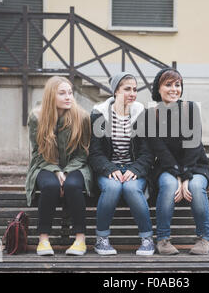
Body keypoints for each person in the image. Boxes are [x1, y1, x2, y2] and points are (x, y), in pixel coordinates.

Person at [25, 76, 94, 256]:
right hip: (44, 165)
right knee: (50, 186)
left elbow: (83, 152)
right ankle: (44, 239)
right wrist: (55, 170)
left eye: (70, 93)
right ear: (50, 96)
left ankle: (80, 239)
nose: (68, 97)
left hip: (77, 166)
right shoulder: (37, 117)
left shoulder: (83, 117)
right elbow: (39, 152)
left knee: (72, 185)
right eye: (62, 93)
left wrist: (67, 171)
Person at [89, 72, 155, 256]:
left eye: (135, 89)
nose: (132, 93)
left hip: (134, 170)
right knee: (112, 188)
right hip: (108, 169)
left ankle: (147, 239)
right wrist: (110, 169)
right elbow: (95, 153)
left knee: (131, 189)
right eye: (127, 89)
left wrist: (135, 169)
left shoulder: (141, 114)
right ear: (116, 91)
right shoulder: (99, 115)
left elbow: (148, 152)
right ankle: (101, 240)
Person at [148, 68, 209, 255]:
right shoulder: (151, 115)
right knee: (168, 186)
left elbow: (194, 146)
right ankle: (163, 240)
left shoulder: (190, 109)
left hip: (195, 165)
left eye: (177, 85)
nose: (174, 89)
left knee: (196, 187)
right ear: (158, 89)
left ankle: (203, 239)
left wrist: (185, 178)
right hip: (167, 167)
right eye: (168, 85)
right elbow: (160, 150)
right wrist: (176, 176)